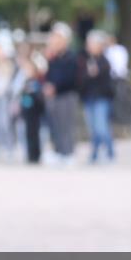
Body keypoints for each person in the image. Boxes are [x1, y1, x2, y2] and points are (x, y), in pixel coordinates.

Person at [43, 23, 79, 166]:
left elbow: (70, 77)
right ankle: (58, 151)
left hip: (66, 94)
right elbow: (49, 76)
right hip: (54, 96)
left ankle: (68, 153)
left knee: (66, 126)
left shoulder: (71, 57)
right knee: (55, 125)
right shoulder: (53, 58)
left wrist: (55, 86)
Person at [77, 30, 115, 164]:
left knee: (101, 127)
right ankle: (94, 153)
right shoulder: (85, 60)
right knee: (92, 128)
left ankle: (109, 152)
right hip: (89, 98)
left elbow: (106, 82)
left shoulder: (105, 62)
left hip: (101, 98)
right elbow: (81, 79)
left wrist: (95, 73)